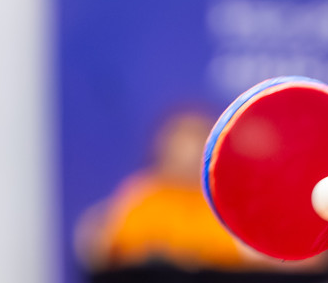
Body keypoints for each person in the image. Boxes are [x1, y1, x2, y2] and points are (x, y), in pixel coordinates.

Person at [76, 109, 255, 270]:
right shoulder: (142, 196)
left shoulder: (226, 203)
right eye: (180, 143)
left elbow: (249, 260)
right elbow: (102, 249)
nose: (188, 156)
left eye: (197, 141)